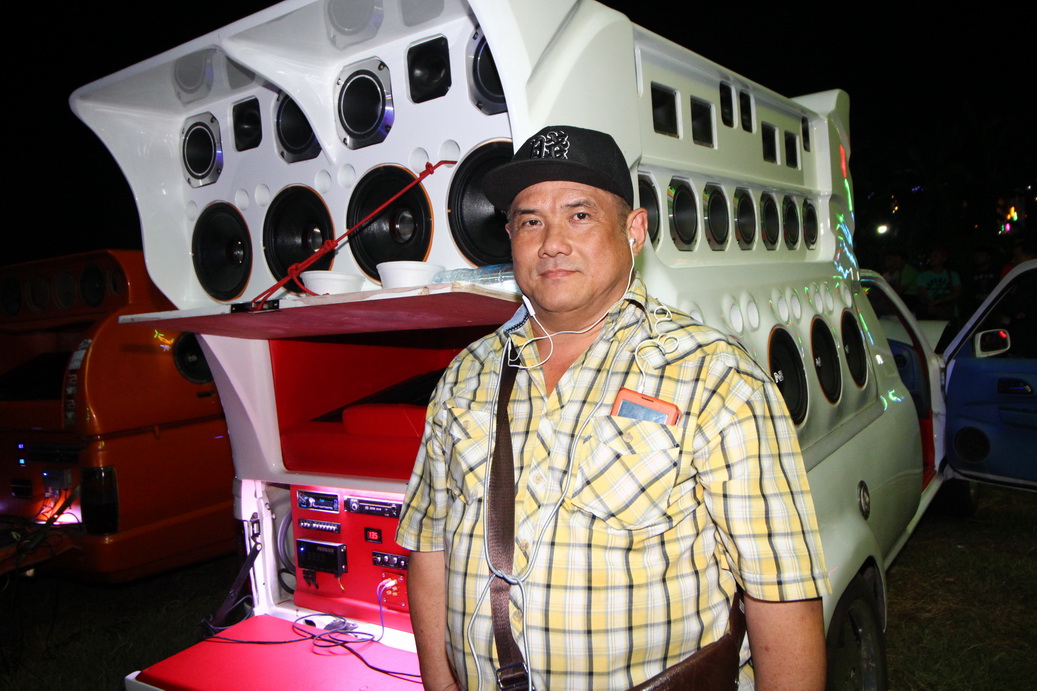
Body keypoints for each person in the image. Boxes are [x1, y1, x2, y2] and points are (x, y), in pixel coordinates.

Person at [396, 125, 829, 690]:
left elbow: (783, 590)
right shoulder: (466, 375)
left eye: (579, 215)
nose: (551, 242)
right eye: (530, 221)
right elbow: (429, 545)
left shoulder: (715, 378)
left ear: (634, 230)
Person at [916, 247, 962, 320]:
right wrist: (929, 304)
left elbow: (957, 292)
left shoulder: (953, 275)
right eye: (931, 256)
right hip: (930, 310)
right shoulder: (923, 276)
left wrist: (940, 301)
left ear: (944, 259)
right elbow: (921, 293)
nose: (932, 258)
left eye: (935, 256)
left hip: (948, 310)